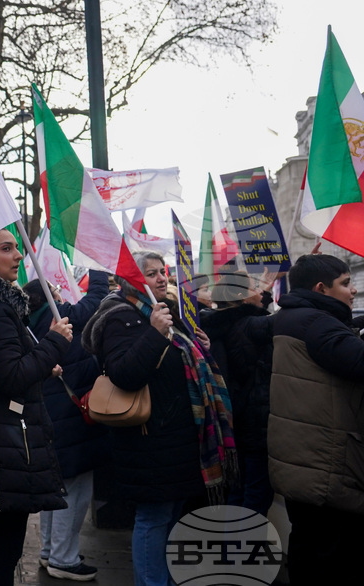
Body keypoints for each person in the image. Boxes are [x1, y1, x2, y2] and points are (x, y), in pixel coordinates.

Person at [81, 250, 236, 586]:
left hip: (177, 437)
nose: (162, 278)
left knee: (170, 515)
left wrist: (199, 346)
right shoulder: (120, 317)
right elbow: (123, 374)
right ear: (130, 282)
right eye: (151, 274)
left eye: (162, 271)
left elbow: (182, 367)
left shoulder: (164, 313)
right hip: (149, 439)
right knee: (153, 517)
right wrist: (154, 334)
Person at [0, 228, 73, 586]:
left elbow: (4, 369)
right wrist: (54, 343)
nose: (19, 256)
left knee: (3, 545)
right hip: (1, 447)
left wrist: (42, 363)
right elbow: (10, 376)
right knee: (4, 549)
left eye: (18, 248)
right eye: (7, 248)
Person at [268, 254, 364, 585]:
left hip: (300, 455)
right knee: (331, 552)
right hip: (324, 459)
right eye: (346, 283)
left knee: (309, 540)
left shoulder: (292, 317)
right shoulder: (318, 323)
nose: (352, 291)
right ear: (321, 288)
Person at [24, 271, 111, 582]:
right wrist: (98, 269)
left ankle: (50, 551)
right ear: (49, 296)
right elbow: (95, 302)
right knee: (74, 492)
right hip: (71, 419)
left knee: (55, 488)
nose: (62, 294)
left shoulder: (26, 324)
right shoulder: (61, 317)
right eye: (56, 290)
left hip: (49, 416)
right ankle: (64, 558)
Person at [199, 270, 275, 516]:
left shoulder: (214, 324)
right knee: (256, 494)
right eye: (254, 287)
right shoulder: (250, 326)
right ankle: (242, 554)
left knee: (237, 490)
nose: (259, 293)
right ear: (242, 297)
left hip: (231, 424)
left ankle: (230, 551)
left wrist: (266, 289)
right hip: (254, 422)